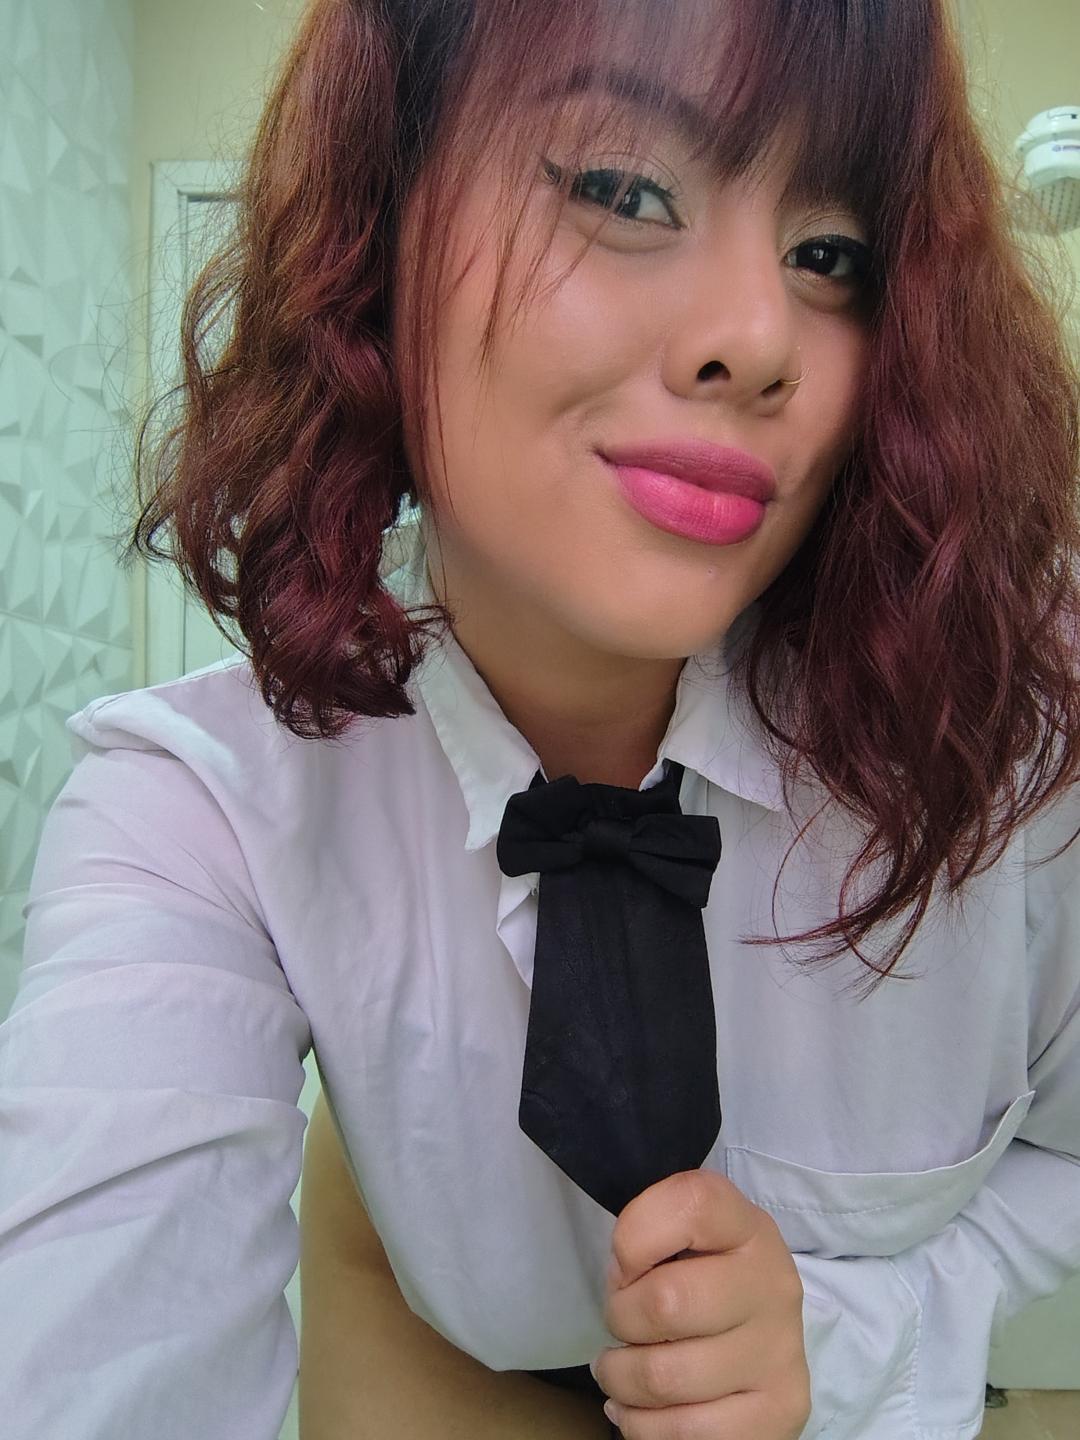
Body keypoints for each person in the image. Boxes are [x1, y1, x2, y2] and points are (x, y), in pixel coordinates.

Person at [2, 0, 1080, 1437]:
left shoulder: (1023, 719)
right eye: (623, 189)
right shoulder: (193, 812)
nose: (761, 339)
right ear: (382, 225)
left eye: (830, 256)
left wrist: (855, 1335)